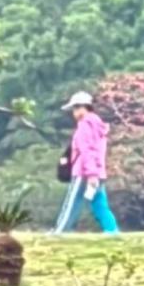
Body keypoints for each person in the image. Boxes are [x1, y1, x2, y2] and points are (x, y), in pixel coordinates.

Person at [55, 91, 120, 234]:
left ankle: (60, 231)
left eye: (76, 108)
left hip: (84, 172)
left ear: (83, 107)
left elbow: (87, 150)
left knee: (72, 203)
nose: (75, 112)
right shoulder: (98, 124)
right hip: (98, 171)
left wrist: (91, 174)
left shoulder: (85, 124)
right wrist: (96, 173)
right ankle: (112, 231)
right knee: (99, 204)